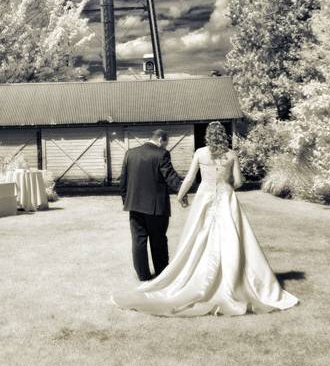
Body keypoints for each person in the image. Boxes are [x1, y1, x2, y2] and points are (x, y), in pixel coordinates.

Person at [111, 122, 299, 316]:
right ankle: (231, 280)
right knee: (231, 237)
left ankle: (164, 276)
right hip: (225, 197)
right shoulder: (232, 155)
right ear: (223, 135)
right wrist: (226, 188)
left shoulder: (200, 153)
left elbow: (190, 178)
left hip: (202, 197)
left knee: (197, 236)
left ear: (208, 135)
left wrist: (180, 195)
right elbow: (240, 181)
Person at [119, 128, 185, 282]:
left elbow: (123, 180)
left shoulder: (130, 153)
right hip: (156, 208)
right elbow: (170, 177)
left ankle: (143, 275)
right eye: (165, 144)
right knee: (158, 240)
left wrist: (127, 201)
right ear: (161, 139)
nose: (165, 147)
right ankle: (162, 274)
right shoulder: (161, 154)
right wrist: (183, 191)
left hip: (134, 205)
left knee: (138, 240)